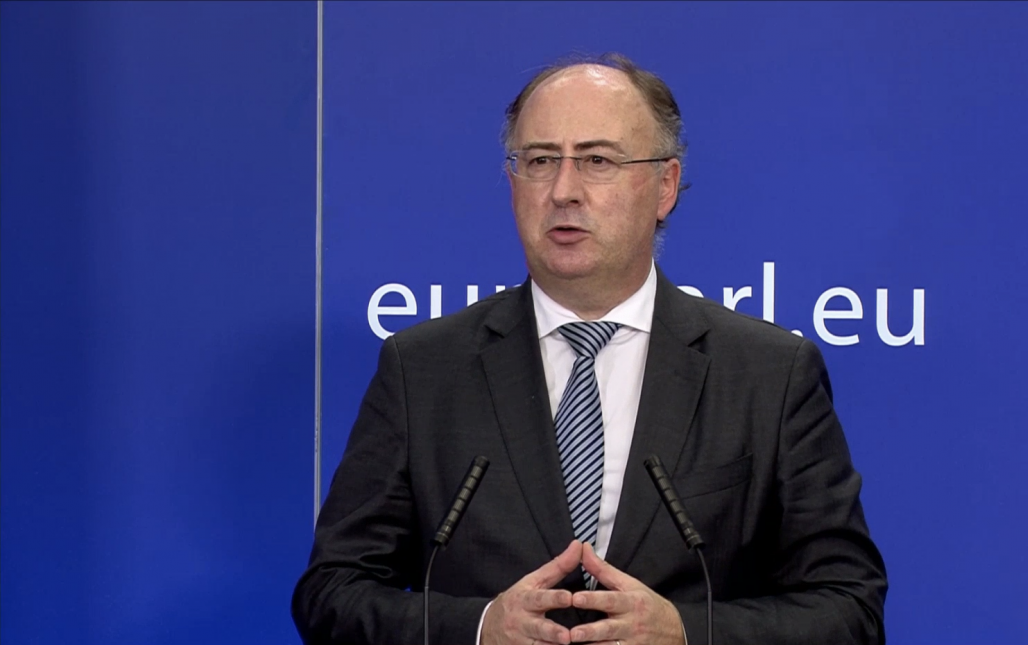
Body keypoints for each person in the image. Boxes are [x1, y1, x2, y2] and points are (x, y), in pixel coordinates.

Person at [292, 52, 887, 645]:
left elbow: (850, 608)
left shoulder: (768, 375)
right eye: (540, 161)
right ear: (513, 183)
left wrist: (687, 634)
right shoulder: (423, 369)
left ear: (665, 186)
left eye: (597, 160)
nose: (563, 191)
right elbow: (331, 594)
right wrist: (477, 629)